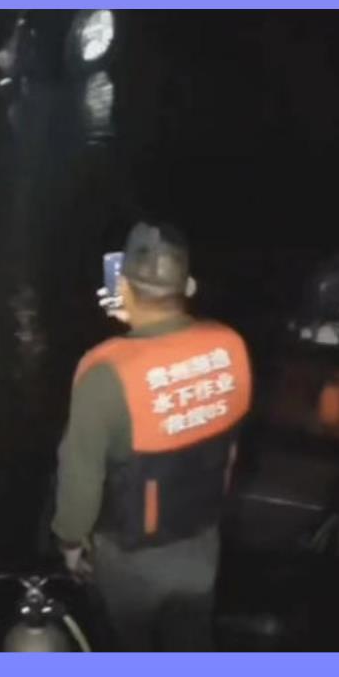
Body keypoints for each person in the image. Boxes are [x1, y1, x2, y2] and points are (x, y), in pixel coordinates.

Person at [50, 222, 252, 651]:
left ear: (122, 286)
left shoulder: (104, 373)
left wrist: (70, 541)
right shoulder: (230, 347)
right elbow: (229, 451)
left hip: (131, 561)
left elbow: (80, 477)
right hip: (201, 544)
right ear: (189, 286)